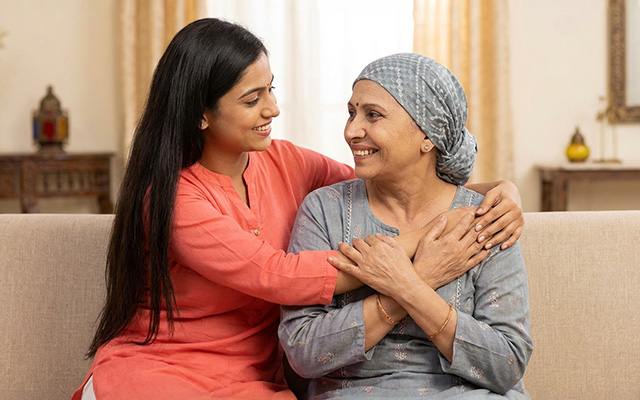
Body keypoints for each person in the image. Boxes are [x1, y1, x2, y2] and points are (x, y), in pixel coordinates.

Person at [71, 19, 525, 400]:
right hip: (162, 373)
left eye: (270, 89)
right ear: (201, 114)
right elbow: (279, 276)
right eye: (252, 100)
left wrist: (499, 191)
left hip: (251, 377)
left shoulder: (286, 162)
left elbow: (395, 176)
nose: (273, 108)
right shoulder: (175, 199)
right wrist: (416, 269)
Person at [279, 53, 533, 399]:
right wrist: (419, 280)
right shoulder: (325, 210)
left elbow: (506, 365)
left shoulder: (487, 219)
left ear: (428, 135)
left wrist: (409, 288)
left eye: (373, 115)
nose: (351, 131)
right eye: (351, 112)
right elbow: (303, 353)